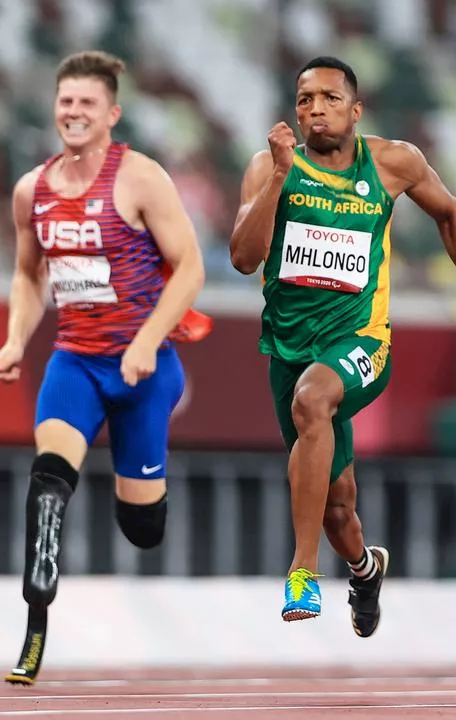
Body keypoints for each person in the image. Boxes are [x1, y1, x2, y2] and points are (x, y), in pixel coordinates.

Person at [229, 56, 456, 630]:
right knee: (338, 509)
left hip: (361, 341)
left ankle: (303, 573)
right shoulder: (269, 168)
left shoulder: (393, 163)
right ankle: (363, 568)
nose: (315, 108)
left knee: (314, 400)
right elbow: (242, 258)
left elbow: (453, 215)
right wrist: (280, 178)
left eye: (330, 98)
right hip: (289, 346)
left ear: (355, 110)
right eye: (305, 99)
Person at [0, 51, 208, 684]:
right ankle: (35, 628)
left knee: (141, 527)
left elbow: (193, 267)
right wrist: (15, 339)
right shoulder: (31, 190)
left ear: (111, 114)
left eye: (87, 103)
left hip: (146, 373)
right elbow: (30, 275)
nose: (73, 113)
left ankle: (143, 493)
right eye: (66, 102)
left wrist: (146, 340)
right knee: (48, 482)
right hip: (76, 362)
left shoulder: (140, 179)